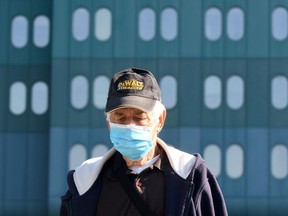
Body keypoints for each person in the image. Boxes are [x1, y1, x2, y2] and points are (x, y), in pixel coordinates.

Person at [60, 68, 228, 216]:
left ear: (160, 120)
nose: (129, 125)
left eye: (139, 117)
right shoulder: (84, 181)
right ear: (109, 123)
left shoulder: (191, 174)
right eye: (120, 117)